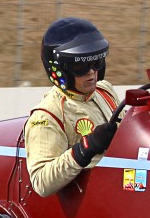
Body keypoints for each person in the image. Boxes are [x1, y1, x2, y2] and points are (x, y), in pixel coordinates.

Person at [24, 17, 120, 197]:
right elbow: (41, 182)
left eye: (96, 62)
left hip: (119, 184)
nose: (92, 71)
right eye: (80, 66)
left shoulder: (104, 91)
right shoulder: (46, 116)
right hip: (93, 200)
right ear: (59, 70)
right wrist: (86, 147)